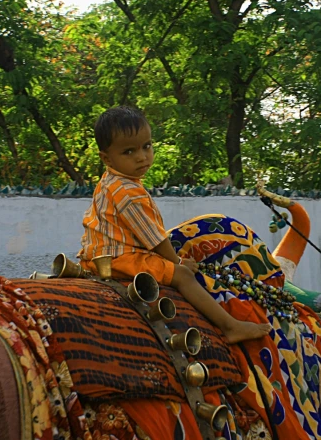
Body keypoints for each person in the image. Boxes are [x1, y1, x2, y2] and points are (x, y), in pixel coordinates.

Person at [77, 105, 270, 344]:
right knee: (182, 276)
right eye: (129, 151)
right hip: (119, 258)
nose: (141, 156)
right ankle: (230, 326)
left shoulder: (111, 181)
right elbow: (155, 240)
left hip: (101, 255)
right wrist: (177, 264)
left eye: (146, 146)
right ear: (106, 157)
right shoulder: (128, 192)